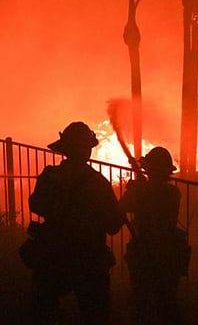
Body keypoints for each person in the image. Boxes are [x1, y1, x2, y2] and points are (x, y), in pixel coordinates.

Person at [28, 121, 126, 325]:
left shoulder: (50, 176)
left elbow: (35, 204)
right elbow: (114, 225)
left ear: (64, 150)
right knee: (96, 315)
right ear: (87, 150)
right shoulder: (98, 183)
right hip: (89, 259)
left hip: (53, 254)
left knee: (44, 310)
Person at [119, 146, 188, 325]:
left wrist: (135, 189)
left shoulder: (145, 191)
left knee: (141, 301)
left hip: (144, 252)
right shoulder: (173, 192)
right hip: (168, 252)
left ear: (149, 169)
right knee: (167, 300)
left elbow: (123, 206)